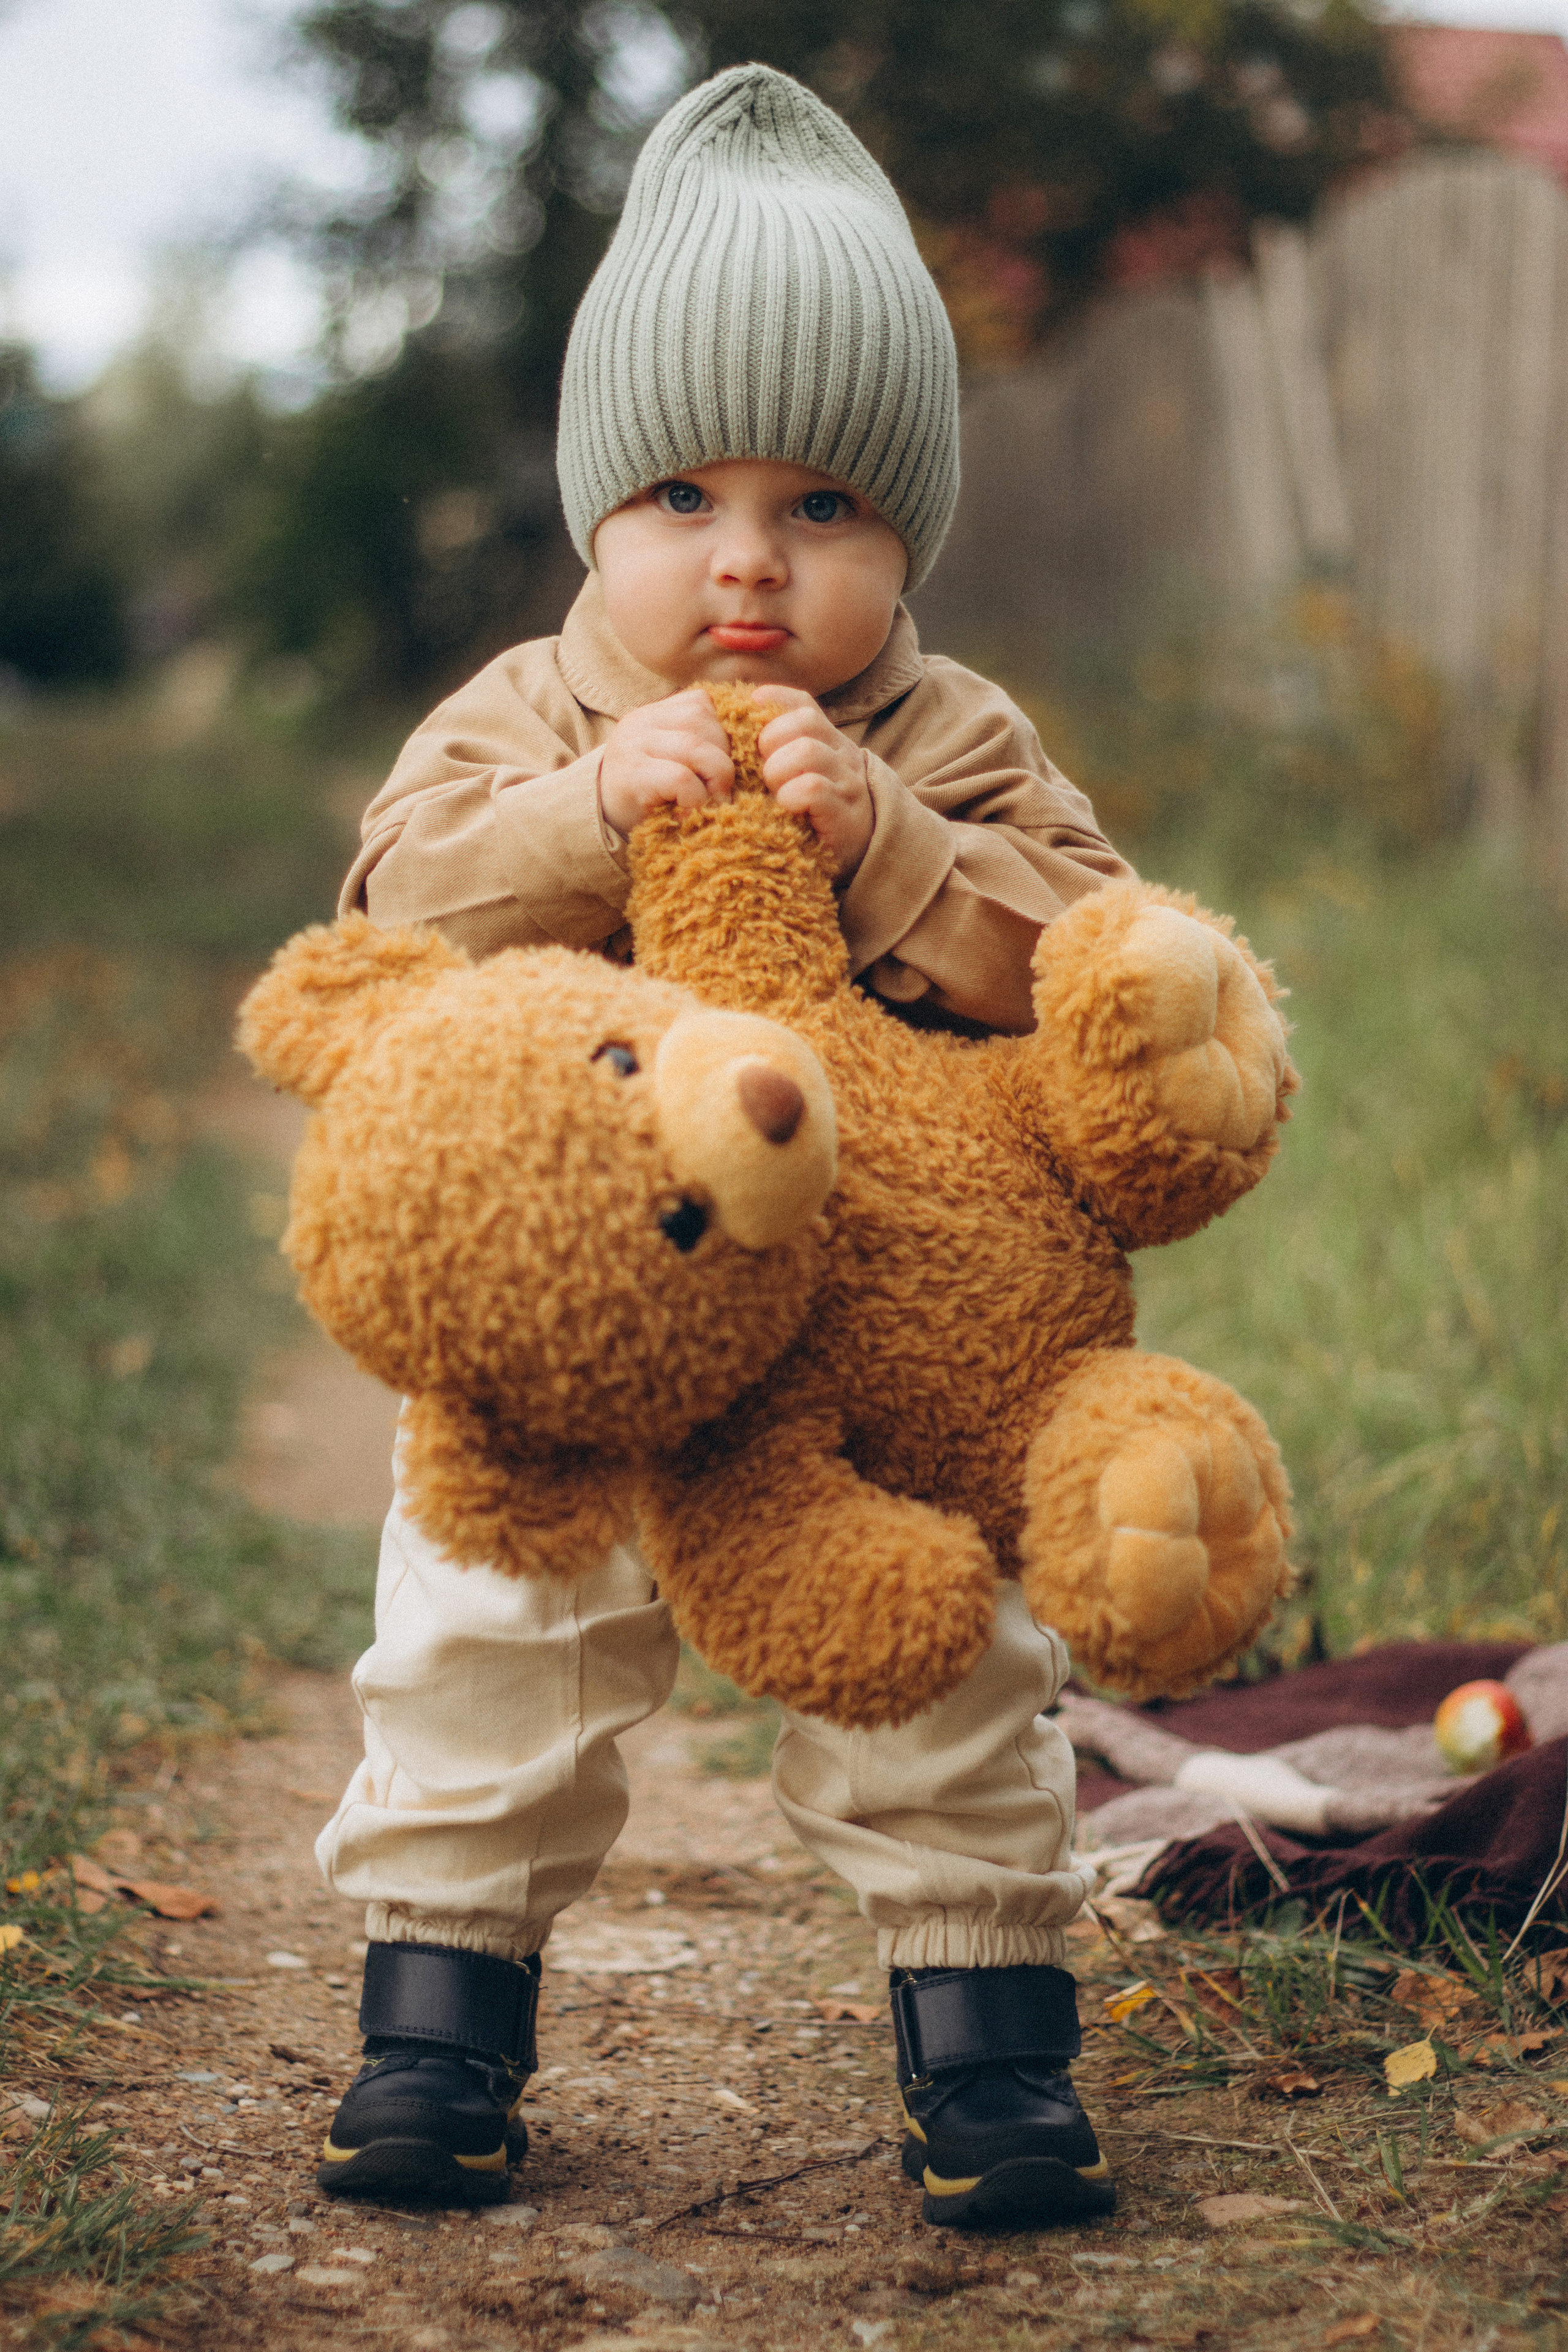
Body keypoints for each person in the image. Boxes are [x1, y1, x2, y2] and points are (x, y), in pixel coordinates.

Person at [314, 62, 1136, 2231]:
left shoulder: (951, 736)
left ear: (910, 534)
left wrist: (904, 851)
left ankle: (988, 2040)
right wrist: (586, 815)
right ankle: (437, 2018)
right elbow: (394, 916)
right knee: (489, 1637)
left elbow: (1092, 963)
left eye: (824, 507)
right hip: (575, 1319)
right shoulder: (527, 714)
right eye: (684, 494)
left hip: (873, 1338)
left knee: (942, 1660)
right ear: (597, 510)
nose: (750, 560)